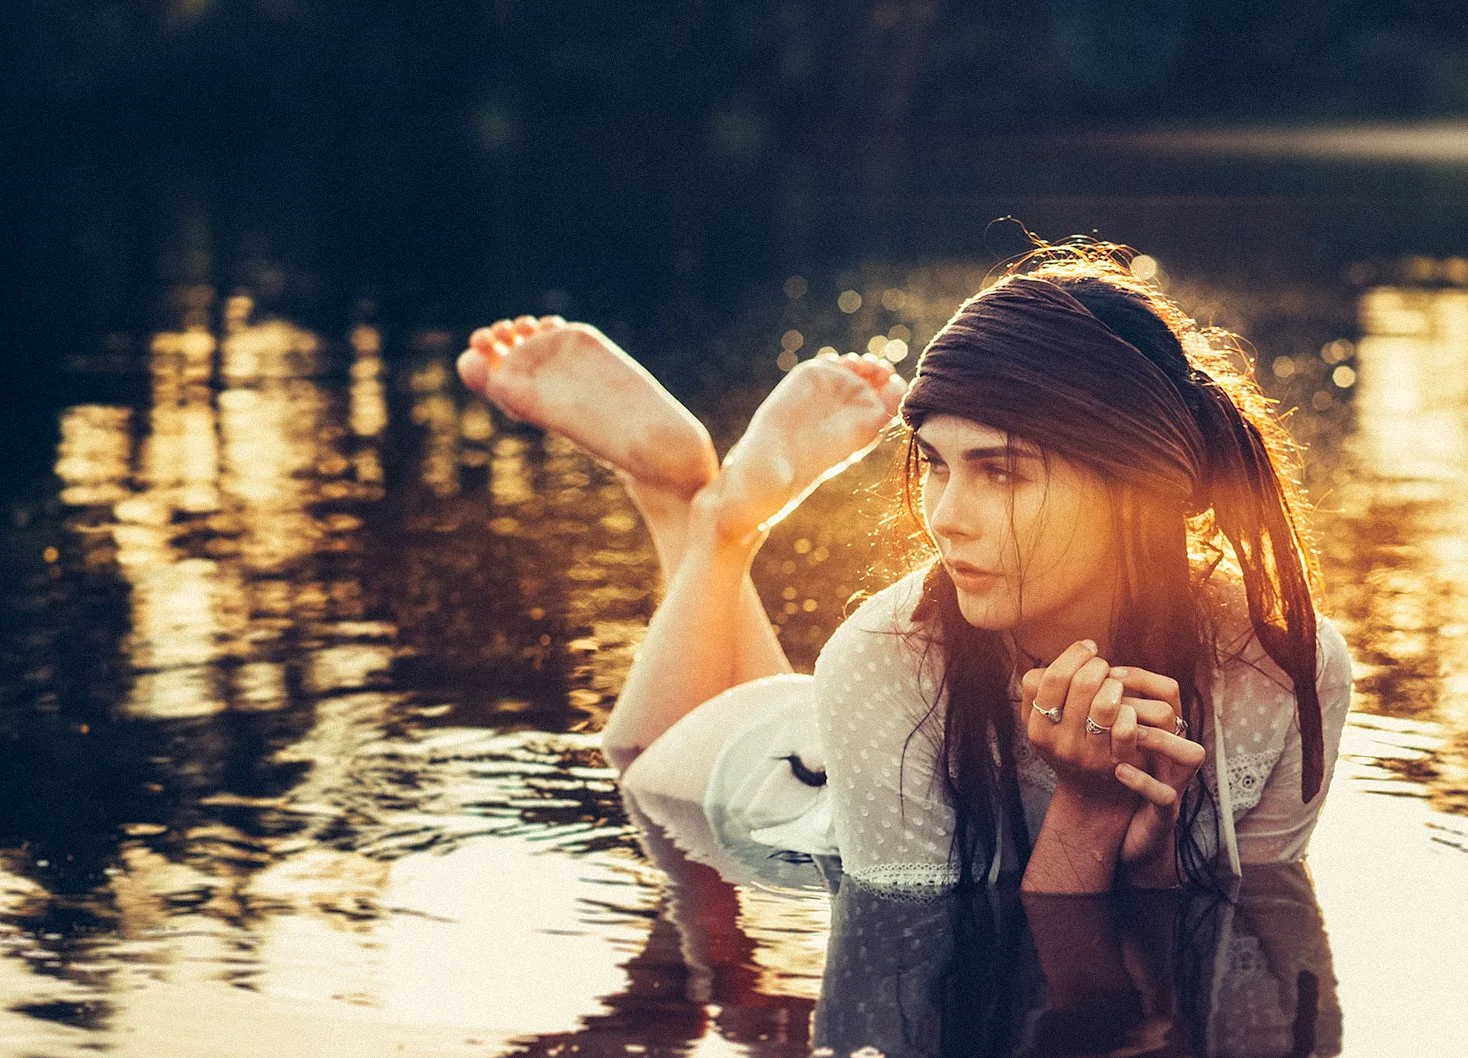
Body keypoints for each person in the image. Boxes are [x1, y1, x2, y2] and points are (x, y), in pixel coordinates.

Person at [456, 241, 1353, 896]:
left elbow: (1240, 935)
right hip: (754, 783)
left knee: (774, 1052)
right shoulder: (882, 655)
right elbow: (934, 974)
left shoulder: (1289, 668)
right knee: (634, 772)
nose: (945, 516)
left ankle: (694, 507)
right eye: (936, 464)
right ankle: (711, 519)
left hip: (851, 735)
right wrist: (1086, 809)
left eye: (1001, 473)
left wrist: (1143, 849)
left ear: (1139, 489)